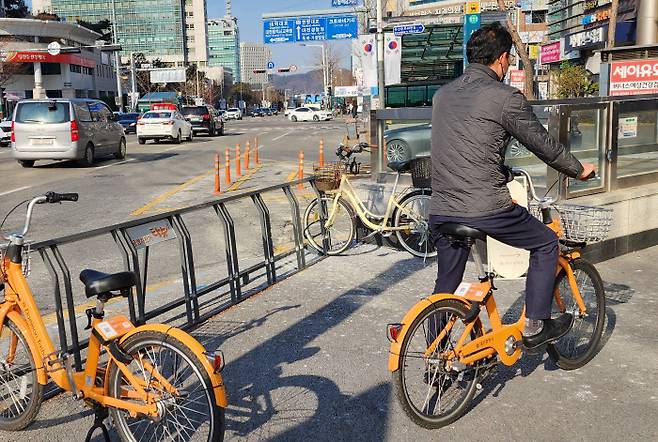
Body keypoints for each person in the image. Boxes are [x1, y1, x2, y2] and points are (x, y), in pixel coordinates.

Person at [429, 22, 596, 353]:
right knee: (546, 242)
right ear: (503, 59)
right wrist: (577, 169)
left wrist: (500, 169)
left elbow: (464, 146)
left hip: (441, 209)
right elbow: (542, 143)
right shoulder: (505, 97)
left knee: (445, 285)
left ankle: (437, 351)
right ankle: (536, 323)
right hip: (485, 208)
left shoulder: (442, 95)